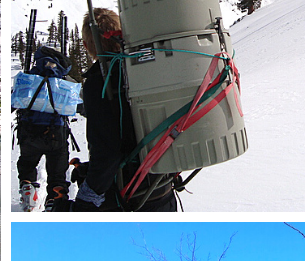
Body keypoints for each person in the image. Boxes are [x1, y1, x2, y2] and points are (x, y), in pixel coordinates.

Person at [73, 8, 181, 212]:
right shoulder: (144, 69)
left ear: (88, 45)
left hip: (131, 197)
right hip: (162, 187)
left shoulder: (99, 82)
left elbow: (107, 150)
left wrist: (89, 194)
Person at [15, 46, 75, 212]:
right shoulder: (64, 79)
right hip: (57, 133)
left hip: (29, 131)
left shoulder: (29, 76)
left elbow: (14, 101)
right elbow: (80, 105)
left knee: (27, 163)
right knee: (57, 173)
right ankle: (55, 201)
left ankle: (27, 187)